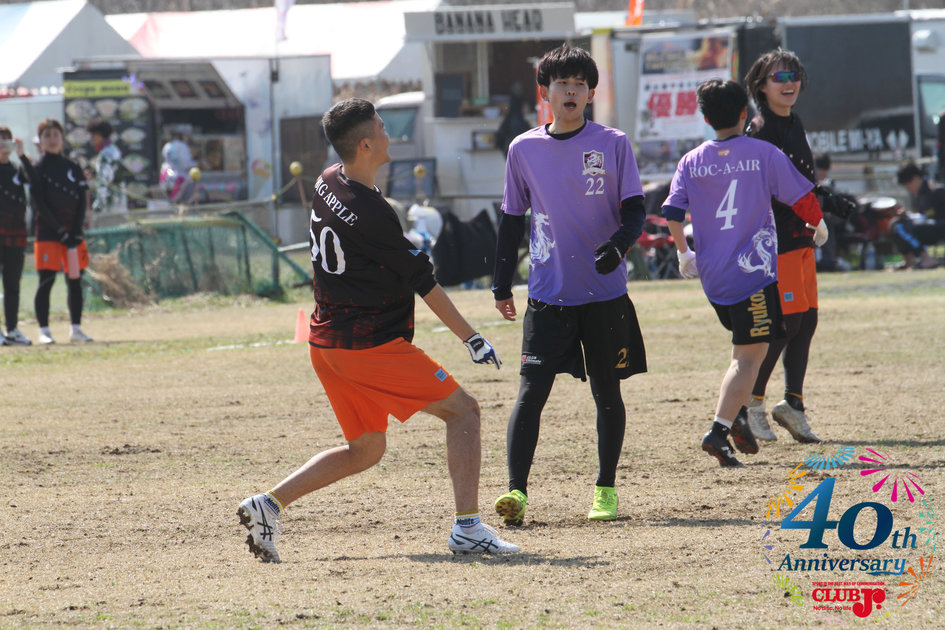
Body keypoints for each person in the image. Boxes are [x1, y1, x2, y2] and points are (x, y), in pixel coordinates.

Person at [237, 98, 518, 562]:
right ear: (366, 145)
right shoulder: (372, 214)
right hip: (365, 346)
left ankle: (267, 505)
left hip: (325, 343)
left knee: (366, 449)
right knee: (464, 412)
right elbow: (424, 283)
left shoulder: (327, 179)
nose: (391, 136)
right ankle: (468, 528)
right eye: (384, 128)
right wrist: (471, 337)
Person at [491, 44, 647, 525]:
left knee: (607, 393)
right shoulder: (523, 149)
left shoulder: (613, 143)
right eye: (562, 83)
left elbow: (635, 211)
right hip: (548, 295)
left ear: (591, 93)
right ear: (546, 92)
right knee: (530, 394)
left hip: (604, 295)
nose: (572, 90)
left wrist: (618, 245)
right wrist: (501, 284)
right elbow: (511, 220)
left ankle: (605, 489)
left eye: (580, 83)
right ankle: (516, 492)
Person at [661, 79, 824, 467]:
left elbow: (671, 212)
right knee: (749, 357)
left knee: (747, 349)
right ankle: (719, 431)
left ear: (705, 119)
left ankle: (733, 417)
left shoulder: (691, 161)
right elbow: (802, 197)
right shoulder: (763, 152)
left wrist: (684, 253)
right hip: (753, 273)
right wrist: (819, 225)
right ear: (744, 115)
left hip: (713, 275)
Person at [739, 49, 826, 444]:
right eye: (779, 77)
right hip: (777, 240)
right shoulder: (759, 129)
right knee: (784, 324)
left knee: (807, 321)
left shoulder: (794, 122)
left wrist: (821, 208)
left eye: (794, 75)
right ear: (761, 86)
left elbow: (802, 181)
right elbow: (764, 188)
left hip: (802, 235)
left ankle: (793, 404)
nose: (789, 83)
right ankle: (750, 403)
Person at [28, 119, 92, 344]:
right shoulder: (38, 169)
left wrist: (76, 230)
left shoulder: (73, 167)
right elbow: (38, 204)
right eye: (47, 136)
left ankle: (76, 329)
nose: (52, 140)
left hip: (73, 236)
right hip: (48, 234)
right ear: (40, 141)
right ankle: (44, 331)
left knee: (75, 280)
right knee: (46, 281)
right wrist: (59, 230)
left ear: (63, 139)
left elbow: (82, 201)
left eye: (56, 135)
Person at [0, 126, 33, 345]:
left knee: (13, 284)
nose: (3, 144)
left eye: (7, 140)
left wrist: (22, 156)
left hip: (16, 233)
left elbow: (36, 182)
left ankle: (12, 329)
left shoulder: (18, 169)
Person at [893, 160, 944, 269]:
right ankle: (909, 261)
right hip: (932, 227)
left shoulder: (935, 190)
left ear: (915, 179)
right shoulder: (920, 195)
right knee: (896, 223)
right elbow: (923, 216)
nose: (908, 189)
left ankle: (927, 259)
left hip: (940, 226)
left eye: (907, 185)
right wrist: (908, 215)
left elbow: (931, 217)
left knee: (902, 227)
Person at [85, 119, 127, 214]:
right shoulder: (114, 149)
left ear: (98, 135)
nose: (92, 140)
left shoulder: (105, 154)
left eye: (93, 137)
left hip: (109, 206)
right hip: (120, 202)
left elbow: (103, 182)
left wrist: (98, 205)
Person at [159, 126, 196, 203]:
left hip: (165, 175)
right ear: (181, 135)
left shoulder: (167, 145)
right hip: (179, 177)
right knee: (182, 203)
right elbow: (186, 165)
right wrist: (197, 164)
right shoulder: (182, 146)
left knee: (169, 202)